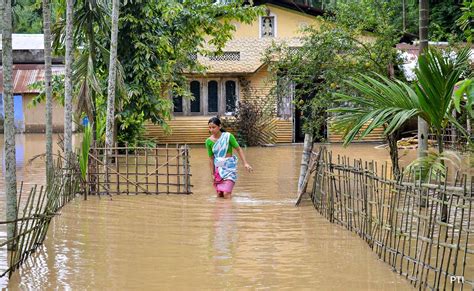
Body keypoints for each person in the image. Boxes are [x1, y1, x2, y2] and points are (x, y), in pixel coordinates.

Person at [205, 117, 252, 199]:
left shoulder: (228, 136)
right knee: (219, 195)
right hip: (218, 170)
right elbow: (211, 158)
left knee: (226, 194)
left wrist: (245, 163)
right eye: (210, 127)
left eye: (213, 127)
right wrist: (212, 174)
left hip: (229, 168)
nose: (211, 130)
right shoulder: (208, 141)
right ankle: (220, 210)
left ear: (219, 127)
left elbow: (238, 149)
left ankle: (229, 210)